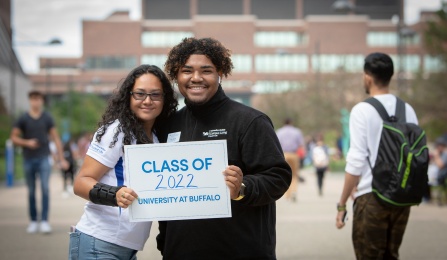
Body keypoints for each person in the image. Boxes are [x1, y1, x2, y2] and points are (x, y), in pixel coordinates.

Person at [156, 37, 292, 259]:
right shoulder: (168, 124)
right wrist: (165, 243)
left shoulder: (250, 121)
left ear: (220, 73)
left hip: (240, 251)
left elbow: (279, 177)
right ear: (176, 76)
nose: (196, 78)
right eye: (187, 71)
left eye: (206, 71)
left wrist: (242, 187)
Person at [68, 65, 178, 259]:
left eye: (155, 95)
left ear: (165, 99)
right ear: (129, 96)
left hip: (126, 249)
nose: (147, 101)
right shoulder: (117, 131)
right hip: (98, 244)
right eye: (140, 94)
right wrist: (115, 194)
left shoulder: (155, 136)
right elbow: (81, 182)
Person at [335, 52, 420, 259]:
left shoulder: (362, 110)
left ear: (367, 77)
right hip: (401, 197)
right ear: (390, 76)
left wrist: (342, 204)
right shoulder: (408, 109)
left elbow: (356, 160)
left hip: (371, 196)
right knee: (391, 254)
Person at [10, 90, 68, 234]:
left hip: (43, 157)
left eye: (38, 99)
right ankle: (33, 220)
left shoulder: (47, 118)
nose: (36, 101)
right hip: (28, 158)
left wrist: (61, 159)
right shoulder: (23, 118)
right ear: (30, 101)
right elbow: (14, 137)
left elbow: (56, 138)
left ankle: (44, 221)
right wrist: (27, 142)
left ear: (42, 101)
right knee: (31, 191)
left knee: (45, 189)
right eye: (33, 99)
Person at [276, 118, 305, 202]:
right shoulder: (297, 131)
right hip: (294, 154)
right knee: (295, 174)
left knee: (285, 174)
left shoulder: (279, 132)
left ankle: (287, 194)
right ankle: (294, 191)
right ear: (291, 123)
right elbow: (301, 144)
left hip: (284, 154)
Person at [433, 136, 447, 205]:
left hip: (444, 176)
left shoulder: (445, 154)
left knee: (443, 190)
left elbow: (440, 165)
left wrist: (436, 156)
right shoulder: (441, 154)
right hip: (441, 176)